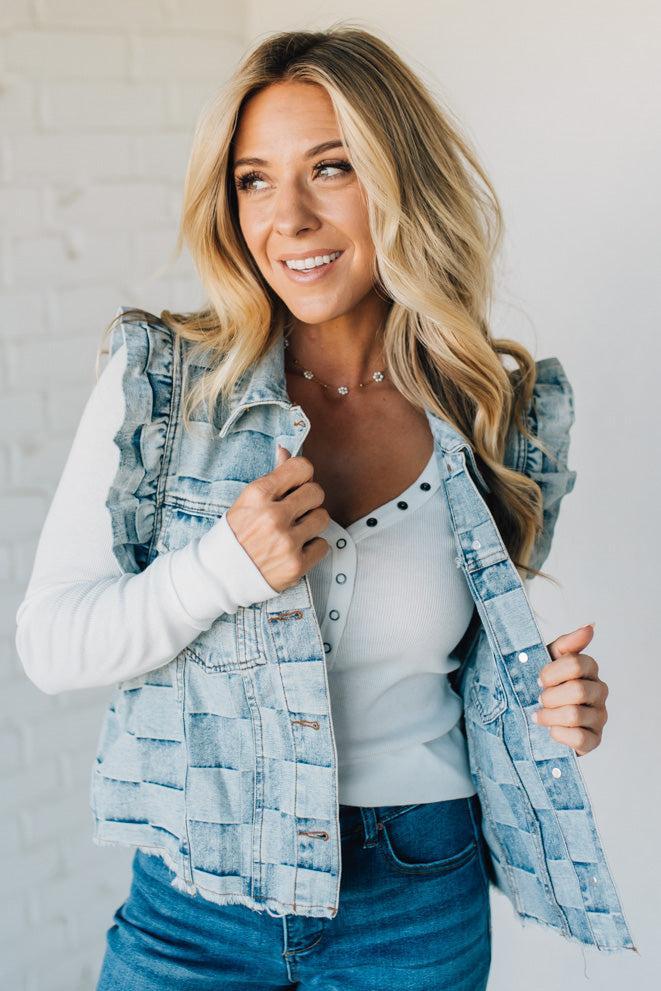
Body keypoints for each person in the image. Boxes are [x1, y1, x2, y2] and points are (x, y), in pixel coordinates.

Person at [16, 24, 632, 991]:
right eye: (254, 179)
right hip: (197, 905)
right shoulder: (169, 382)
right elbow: (51, 647)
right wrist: (218, 567)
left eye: (331, 168)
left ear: (400, 180)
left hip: (418, 893)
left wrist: (548, 709)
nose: (287, 217)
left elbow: (469, 680)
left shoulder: (494, 408)